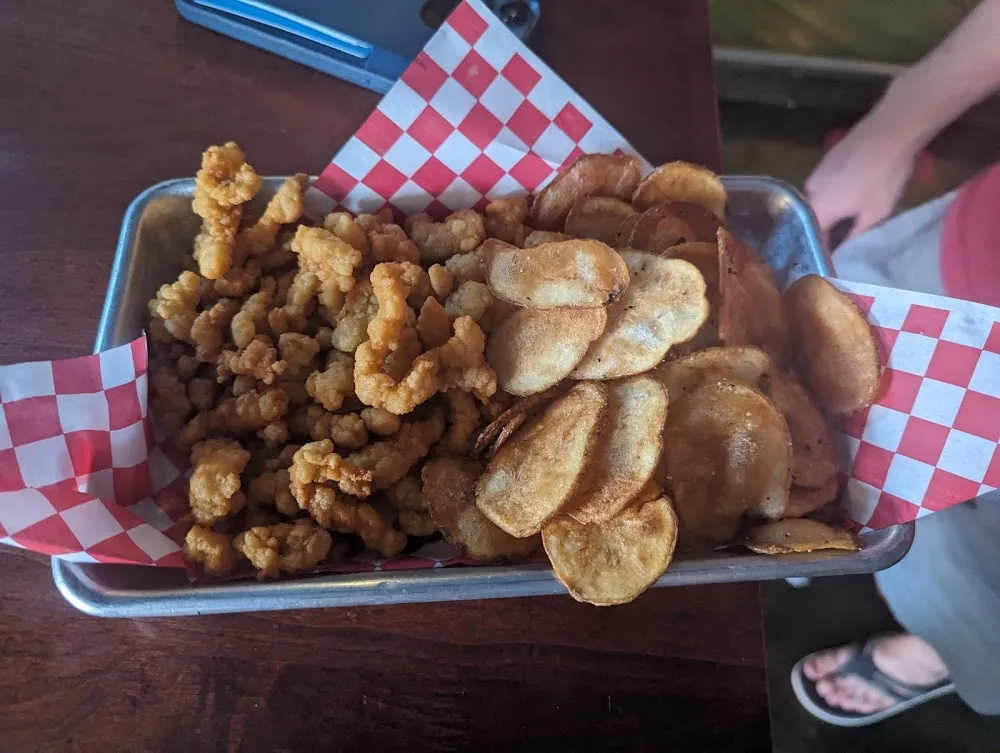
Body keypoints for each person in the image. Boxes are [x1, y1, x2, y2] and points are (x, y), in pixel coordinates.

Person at [789, 0, 1000, 727]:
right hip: (968, 259)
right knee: (824, 406)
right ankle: (813, 534)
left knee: (974, 590)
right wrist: (893, 128)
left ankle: (948, 647)